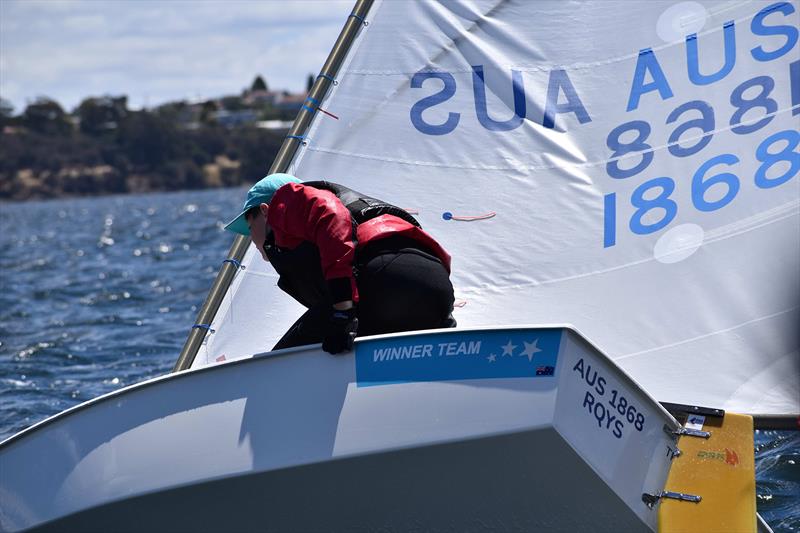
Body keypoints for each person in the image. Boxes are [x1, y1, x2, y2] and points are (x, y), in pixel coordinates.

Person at [225, 173, 456, 354]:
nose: (248, 236)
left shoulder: (287, 203)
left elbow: (331, 216)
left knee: (277, 368)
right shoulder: (314, 226)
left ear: (265, 211)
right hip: (436, 289)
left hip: (385, 283)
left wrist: (342, 310)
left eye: (248, 224)